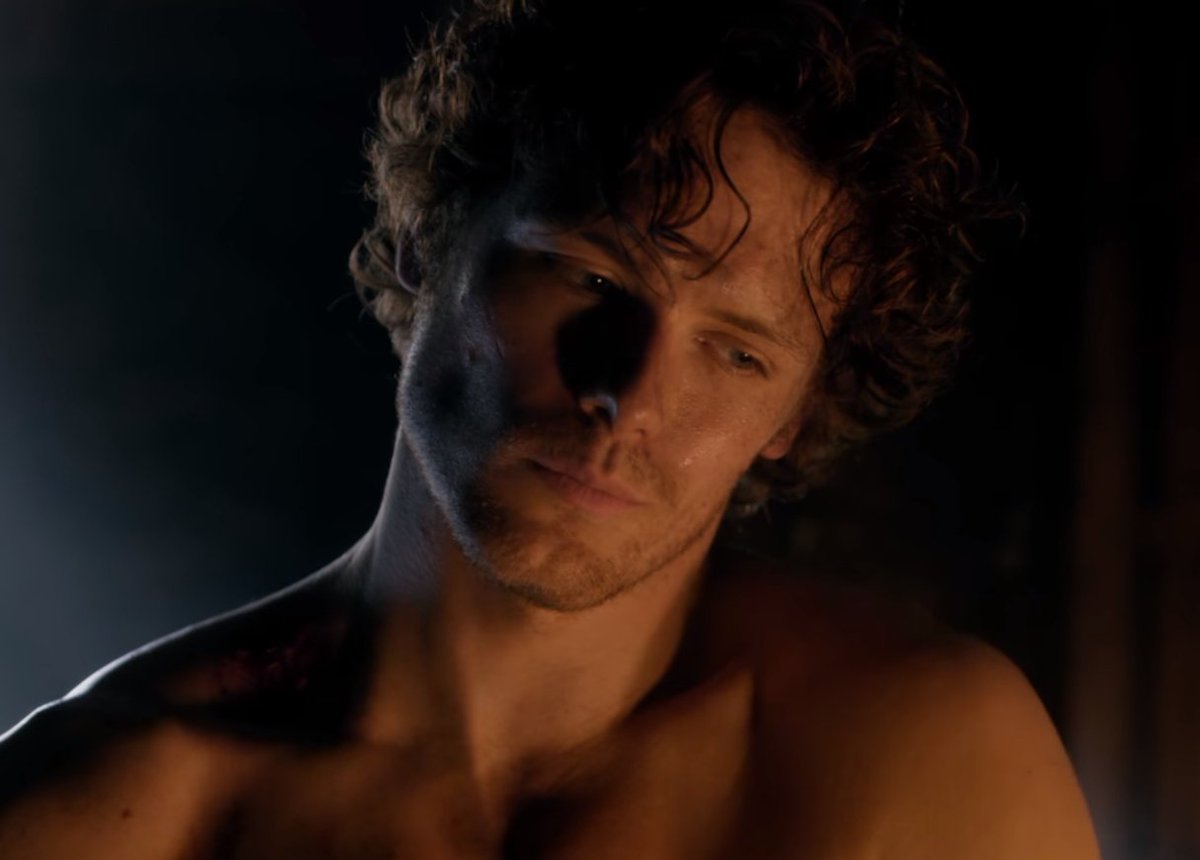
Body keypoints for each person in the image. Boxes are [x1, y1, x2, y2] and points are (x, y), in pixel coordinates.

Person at [0, 0, 1100, 856]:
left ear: (795, 416)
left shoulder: (927, 766)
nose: (631, 394)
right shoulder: (103, 810)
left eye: (738, 352)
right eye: (590, 276)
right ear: (425, 248)